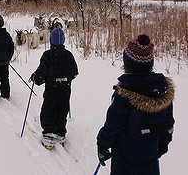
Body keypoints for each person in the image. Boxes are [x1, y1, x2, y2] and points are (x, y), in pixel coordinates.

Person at [96, 34, 175, 174]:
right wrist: (163, 143)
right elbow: (167, 124)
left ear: (127, 63)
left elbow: (113, 125)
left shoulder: (124, 94)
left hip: (125, 156)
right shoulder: (162, 91)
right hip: (150, 153)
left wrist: (102, 144)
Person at [30, 28, 78, 149]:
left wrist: (35, 78)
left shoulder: (48, 55)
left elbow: (41, 75)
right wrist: (67, 79)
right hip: (65, 89)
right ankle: (60, 132)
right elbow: (74, 72)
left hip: (52, 89)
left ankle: (49, 134)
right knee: (62, 110)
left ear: (51, 40)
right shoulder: (68, 55)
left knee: (48, 110)